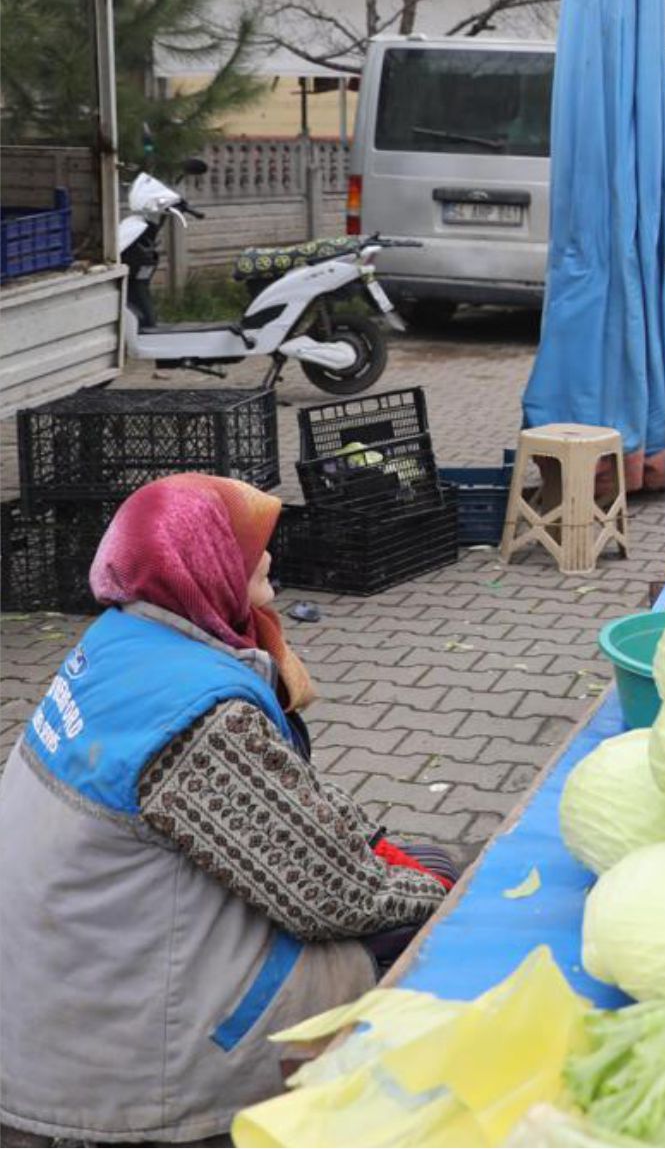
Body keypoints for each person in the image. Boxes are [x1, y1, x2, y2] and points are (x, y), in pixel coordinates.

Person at [0, 474, 456, 1147]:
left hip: (73, 990)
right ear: (201, 562)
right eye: (246, 543)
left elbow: (289, 805)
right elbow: (333, 896)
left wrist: (381, 847)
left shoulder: (125, 639)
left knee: (414, 869)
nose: (267, 554)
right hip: (124, 1060)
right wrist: (450, 893)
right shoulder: (201, 718)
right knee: (432, 918)